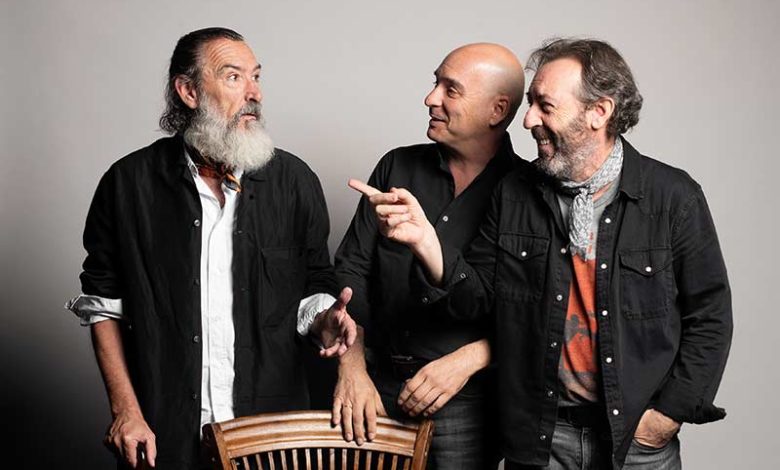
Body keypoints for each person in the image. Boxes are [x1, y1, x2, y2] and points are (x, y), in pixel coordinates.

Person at [352, 38, 732, 469]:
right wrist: (426, 243)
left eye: (544, 106)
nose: (528, 119)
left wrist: (666, 416)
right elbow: (479, 302)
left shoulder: (673, 197)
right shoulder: (515, 192)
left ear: (599, 112)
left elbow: (710, 315)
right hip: (541, 439)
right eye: (530, 102)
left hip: (636, 443)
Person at [65, 27, 356, 470]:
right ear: (189, 91)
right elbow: (103, 304)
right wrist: (126, 411)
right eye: (234, 77)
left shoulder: (295, 182)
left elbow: (312, 286)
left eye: (256, 76)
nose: (254, 93)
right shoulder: (128, 184)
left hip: (271, 440)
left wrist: (326, 321)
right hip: (163, 437)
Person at [333, 43, 527, 469]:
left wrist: (468, 360)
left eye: (450, 89)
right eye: (435, 83)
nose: (430, 98)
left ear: (497, 110)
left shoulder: (527, 193)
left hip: (465, 400)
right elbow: (351, 269)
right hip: (373, 386)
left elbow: (532, 311)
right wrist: (353, 368)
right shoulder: (396, 167)